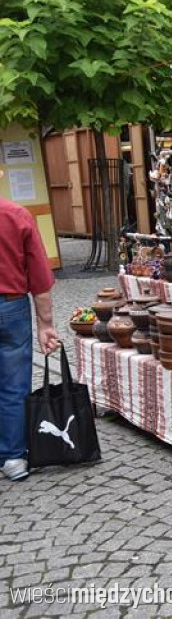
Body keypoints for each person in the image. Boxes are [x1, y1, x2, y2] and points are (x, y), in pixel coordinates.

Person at [0, 169, 61, 481]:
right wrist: (46, 325)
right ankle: (12, 457)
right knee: (13, 385)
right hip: (10, 306)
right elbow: (39, 279)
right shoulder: (16, 215)